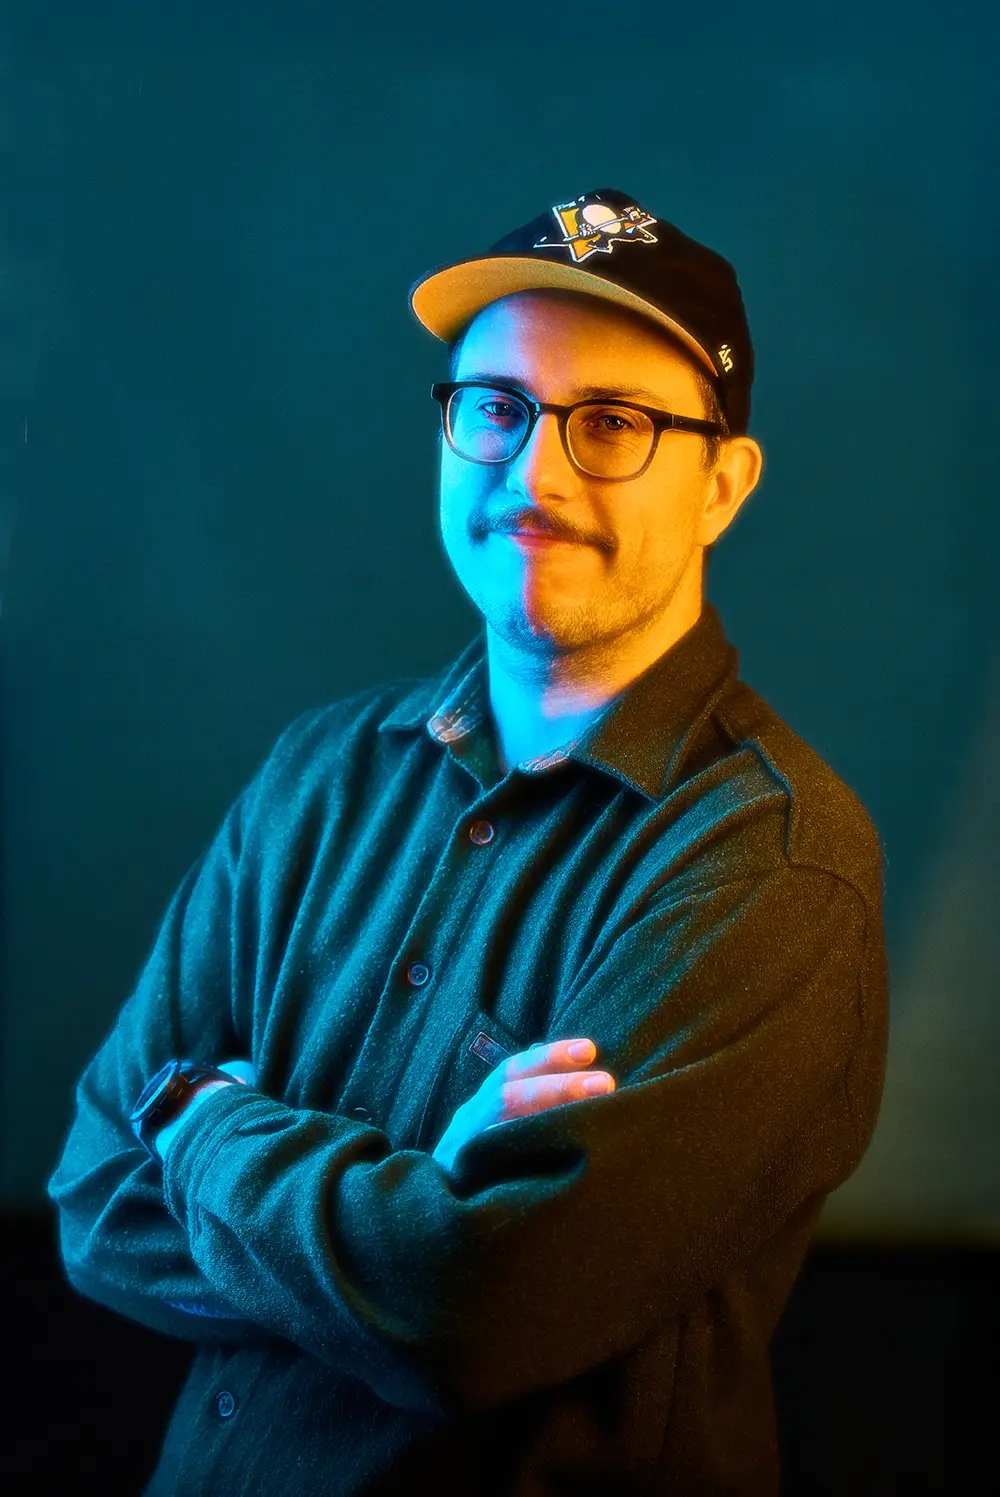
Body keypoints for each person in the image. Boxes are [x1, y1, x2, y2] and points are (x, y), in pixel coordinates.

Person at [47, 186, 889, 1496]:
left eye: (609, 423)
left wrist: (209, 1130)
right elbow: (98, 1199)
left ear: (724, 483)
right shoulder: (320, 775)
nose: (533, 471)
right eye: (495, 407)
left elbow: (472, 1309)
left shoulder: (768, 864)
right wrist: (401, 1208)